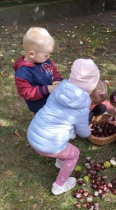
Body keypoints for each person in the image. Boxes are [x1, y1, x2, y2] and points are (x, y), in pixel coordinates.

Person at [27, 58, 100, 195]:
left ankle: (60, 161)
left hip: (33, 133)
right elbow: (83, 131)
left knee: (63, 132)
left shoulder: (59, 87)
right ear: (91, 86)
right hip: (49, 145)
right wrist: (87, 132)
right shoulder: (83, 104)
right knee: (74, 154)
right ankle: (59, 185)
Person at [13, 27, 63, 114]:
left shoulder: (44, 60)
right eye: (46, 55)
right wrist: (47, 89)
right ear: (32, 54)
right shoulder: (22, 72)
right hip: (40, 107)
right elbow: (26, 92)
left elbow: (54, 71)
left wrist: (57, 80)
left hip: (53, 101)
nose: (48, 58)